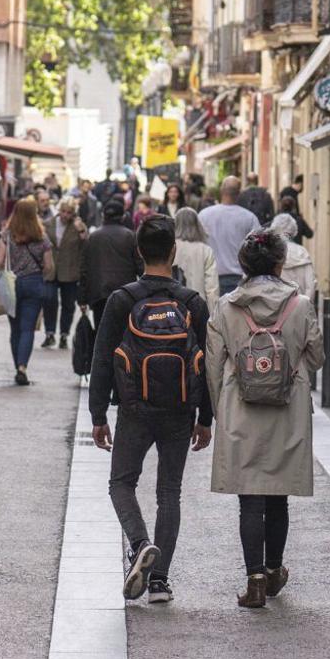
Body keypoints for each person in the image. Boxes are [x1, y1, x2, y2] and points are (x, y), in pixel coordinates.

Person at [91, 217, 213, 604]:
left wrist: (98, 415)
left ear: (139, 252)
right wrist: (206, 418)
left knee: (121, 483)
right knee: (169, 491)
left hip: (134, 408)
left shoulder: (123, 300)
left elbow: (102, 360)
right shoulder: (191, 301)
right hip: (179, 410)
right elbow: (207, 362)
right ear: (173, 252)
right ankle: (159, 581)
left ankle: (140, 542)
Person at [206, 229, 323, 607]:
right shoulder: (301, 305)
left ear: (242, 264)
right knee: (278, 498)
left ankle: (254, 580)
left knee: (250, 500)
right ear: (280, 262)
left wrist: (216, 408)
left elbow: (212, 364)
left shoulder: (226, 306)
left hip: (241, 409)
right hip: (287, 410)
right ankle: (274, 571)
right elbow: (317, 356)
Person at [0, 197, 52, 385]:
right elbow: (49, 266)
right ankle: (22, 367)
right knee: (28, 328)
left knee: (15, 329)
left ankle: (16, 366)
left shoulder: (7, 235)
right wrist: (40, 272)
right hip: (34, 283)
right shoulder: (42, 237)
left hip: (11, 283)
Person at [80, 198, 141, 328]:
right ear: (123, 216)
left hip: (99, 292)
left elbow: (84, 269)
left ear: (103, 215)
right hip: (125, 291)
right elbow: (139, 266)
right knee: (123, 332)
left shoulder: (93, 237)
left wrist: (82, 298)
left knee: (102, 330)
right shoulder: (130, 236)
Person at [199, 176, 261, 296]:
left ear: (221, 191)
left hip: (211, 277)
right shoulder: (249, 217)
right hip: (240, 278)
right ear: (239, 193)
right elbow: (258, 248)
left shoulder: (203, 216)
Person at [43, 195, 88, 349]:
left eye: (69, 212)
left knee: (68, 304)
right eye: (63, 211)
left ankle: (64, 334)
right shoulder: (48, 224)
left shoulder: (77, 226)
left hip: (70, 270)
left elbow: (86, 245)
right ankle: (49, 333)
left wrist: (81, 229)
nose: (65, 215)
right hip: (51, 269)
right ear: (59, 210)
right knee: (49, 300)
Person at [173, 207, 219, 312]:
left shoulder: (169, 248)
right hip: (198, 307)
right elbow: (212, 289)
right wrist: (212, 316)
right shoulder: (205, 250)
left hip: (171, 308)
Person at [271, 212, 317, 299]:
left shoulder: (271, 252)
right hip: (299, 306)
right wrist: (306, 306)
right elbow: (310, 285)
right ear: (294, 230)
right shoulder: (302, 252)